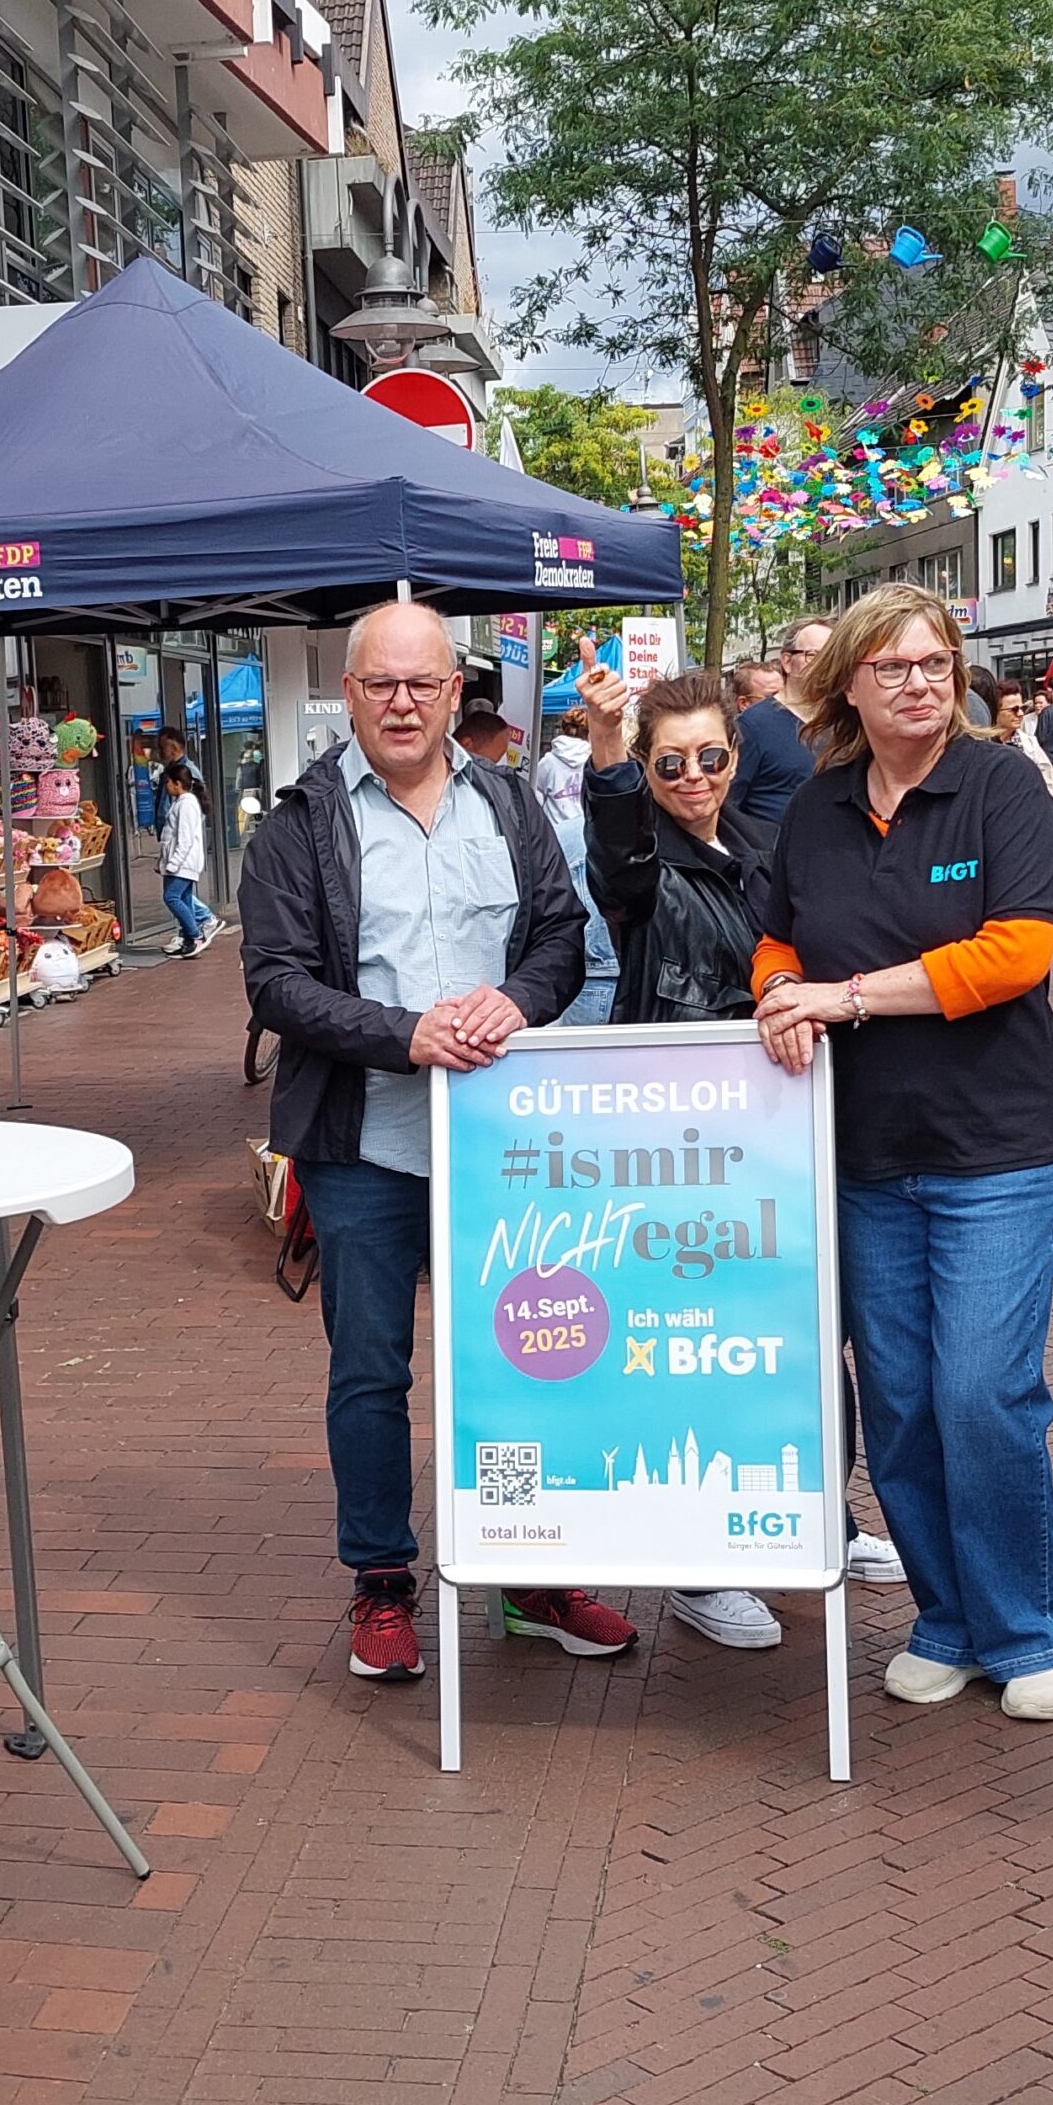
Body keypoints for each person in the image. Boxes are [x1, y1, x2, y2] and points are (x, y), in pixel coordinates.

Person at [239, 598, 638, 1683]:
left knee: (523, 1361)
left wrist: (515, 999)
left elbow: (561, 935)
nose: (403, 703)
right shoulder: (298, 822)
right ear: (349, 692)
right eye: (381, 684)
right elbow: (274, 983)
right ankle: (379, 1580)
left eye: (424, 684)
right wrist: (403, 1035)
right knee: (370, 1372)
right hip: (363, 1146)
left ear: (457, 692)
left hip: (502, 1150)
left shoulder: (508, 804)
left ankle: (526, 1570)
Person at [752, 581, 1053, 1721]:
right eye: (889, 665)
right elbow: (774, 936)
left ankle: (1026, 1625)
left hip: (997, 1146)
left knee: (979, 1390)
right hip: (861, 1153)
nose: (915, 682)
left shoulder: (1000, 785)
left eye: (933, 662)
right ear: (846, 679)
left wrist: (839, 1000)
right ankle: (944, 1616)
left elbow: (1015, 953)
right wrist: (777, 994)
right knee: (894, 1399)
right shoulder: (819, 806)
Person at [572, 658, 787, 1651]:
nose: (692, 776)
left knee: (777, 1336)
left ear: (734, 753)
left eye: (709, 756)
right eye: (671, 764)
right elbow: (614, 851)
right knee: (688, 1344)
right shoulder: (644, 857)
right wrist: (610, 747)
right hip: (675, 1143)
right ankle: (698, 1573)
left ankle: (807, 1516)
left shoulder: (759, 846)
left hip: (768, 1138)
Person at [534, 700, 619, 1026]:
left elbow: (538, 799)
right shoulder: (593, 757)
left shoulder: (546, 764)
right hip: (586, 835)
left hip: (563, 839)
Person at [729, 615, 830, 822]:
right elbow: (729, 806)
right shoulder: (752, 726)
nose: (823, 664)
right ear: (787, 661)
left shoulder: (847, 724)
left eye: (831, 656)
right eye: (812, 655)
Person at [151, 726, 219, 948]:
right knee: (183, 896)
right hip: (174, 851)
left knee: (173, 896)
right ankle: (189, 935)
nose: (160, 753)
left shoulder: (186, 783)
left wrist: (173, 862)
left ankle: (198, 928)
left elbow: (186, 834)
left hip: (181, 857)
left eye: (162, 748)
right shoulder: (172, 774)